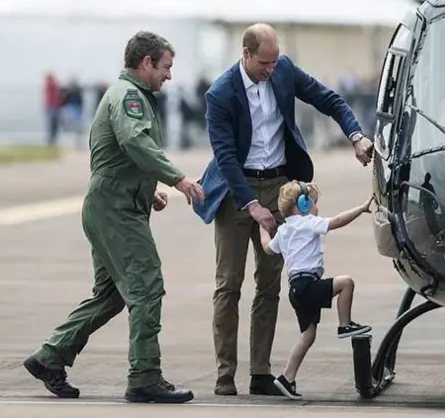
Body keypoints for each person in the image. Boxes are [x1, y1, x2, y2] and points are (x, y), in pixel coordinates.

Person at [192, 22, 374, 396]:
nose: (271, 69)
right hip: (235, 189)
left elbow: (330, 100)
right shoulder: (221, 94)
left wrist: (356, 135)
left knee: (270, 283)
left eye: (275, 62)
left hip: (278, 186)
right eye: (264, 63)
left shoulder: (284, 69)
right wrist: (251, 204)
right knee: (229, 285)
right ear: (245, 54)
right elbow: (225, 156)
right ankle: (225, 374)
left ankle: (260, 373)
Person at [23, 30, 205, 404]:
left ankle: (51, 357)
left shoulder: (125, 95)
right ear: (146, 63)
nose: (169, 75)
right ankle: (144, 377)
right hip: (115, 211)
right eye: (166, 67)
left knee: (110, 295)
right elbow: (135, 142)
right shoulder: (129, 98)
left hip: (112, 203)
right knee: (147, 286)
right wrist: (177, 179)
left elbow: (116, 155)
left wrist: (147, 187)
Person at [258, 180, 374, 399]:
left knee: (308, 335)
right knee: (346, 282)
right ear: (302, 204)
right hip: (308, 284)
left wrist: (262, 228)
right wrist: (362, 208)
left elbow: (267, 249)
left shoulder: (283, 230)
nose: (317, 206)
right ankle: (344, 325)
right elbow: (337, 221)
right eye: (314, 202)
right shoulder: (308, 222)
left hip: (295, 289)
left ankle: (286, 378)